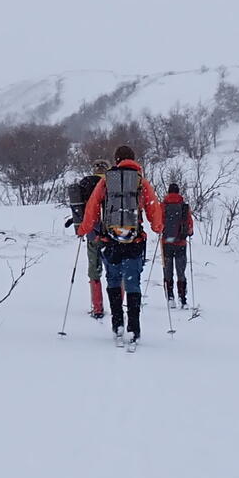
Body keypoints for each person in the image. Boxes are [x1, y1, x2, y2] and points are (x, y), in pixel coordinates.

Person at [76, 144, 162, 344]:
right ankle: (134, 328)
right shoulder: (140, 181)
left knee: (113, 281)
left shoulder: (107, 181)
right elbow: (154, 209)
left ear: (116, 160)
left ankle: (117, 325)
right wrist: (158, 227)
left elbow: (92, 208)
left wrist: (83, 229)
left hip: (111, 241)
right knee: (132, 283)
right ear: (133, 159)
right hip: (134, 241)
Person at [65, 160, 110, 318]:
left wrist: (79, 225)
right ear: (106, 169)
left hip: (92, 233)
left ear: (94, 169)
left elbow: (82, 210)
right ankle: (118, 305)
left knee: (94, 271)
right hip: (111, 234)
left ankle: (97, 307)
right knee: (115, 272)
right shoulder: (113, 183)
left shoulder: (85, 183)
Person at [159, 180, 193, 307]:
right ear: (178, 192)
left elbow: (158, 223)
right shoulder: (184, 206)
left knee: (167, 271)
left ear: (168, 192)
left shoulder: (163, 206)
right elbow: (190, 226)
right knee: (181, 272)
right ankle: (182, 298)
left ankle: (170, 298)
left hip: (167, 242)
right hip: (181, 243)